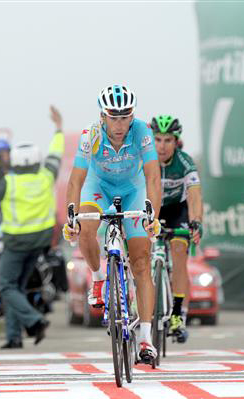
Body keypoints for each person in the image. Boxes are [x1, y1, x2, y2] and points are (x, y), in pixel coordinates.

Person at [63, 85, 162, 363]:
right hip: (98, 187)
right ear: (102, 116)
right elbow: (76, 179)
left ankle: (145, 338)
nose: (119, 124)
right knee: (85, 229)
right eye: (113, 117)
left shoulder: (142, 131)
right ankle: (98, 278)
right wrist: (71, 217)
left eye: (125, 117)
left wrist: (153, 215)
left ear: (132, 116)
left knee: (141, 262)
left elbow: (153, 178)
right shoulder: (90, 134)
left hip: (133, 190)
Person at [0, 105, 64, 349]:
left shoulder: (7, 183)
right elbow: (56, 155)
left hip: (15, 243)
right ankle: (14, 337)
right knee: (17, 287)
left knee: (6, 286)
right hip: (40, 242)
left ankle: (35, 321)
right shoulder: (46, 176)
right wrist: (59, 129)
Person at [150, 115, 203, 343]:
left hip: (177, 211)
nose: (162, 146)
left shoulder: (185, 162)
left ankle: (178, 315)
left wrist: (196, 221)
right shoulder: (145, 161)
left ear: (176, 142)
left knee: (179, 252)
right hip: (152, 208)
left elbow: (194, 196)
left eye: (167, 141)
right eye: (158, 140)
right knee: (138, 250)